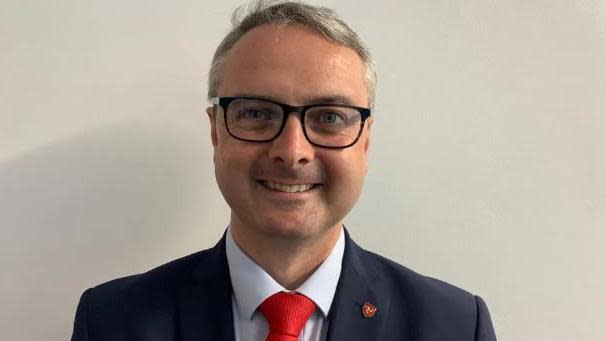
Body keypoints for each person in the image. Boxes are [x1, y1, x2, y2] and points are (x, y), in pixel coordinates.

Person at [70, 1, 497, 340]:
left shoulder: (456, 327)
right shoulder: (112, 322)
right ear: (216, 132)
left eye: (329, 118)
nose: (292, 151)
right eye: (256, 112)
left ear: (365, 141)